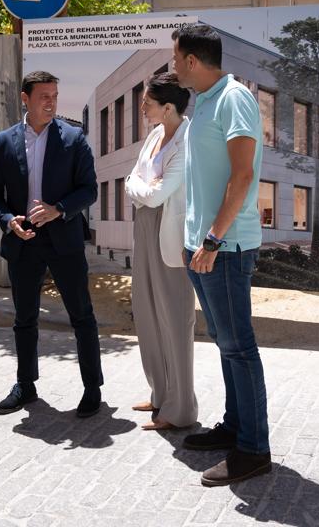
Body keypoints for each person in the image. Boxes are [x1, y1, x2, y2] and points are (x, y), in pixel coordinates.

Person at [171, 24, 271, 487]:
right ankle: (235, 428)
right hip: (203, 247)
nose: (173, 67)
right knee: (225, 343)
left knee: (238, 346)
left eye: (176, 58)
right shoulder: (205, 101)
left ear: (193, 60)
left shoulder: (234, 98)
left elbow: (243, 175)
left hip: (225, 248)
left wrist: (212, 239)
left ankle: (254, 449)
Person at [0, 70, 102, 418]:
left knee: (82, 315)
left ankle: (92, 387)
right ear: (25, 98)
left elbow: (89, 190)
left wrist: (59, 210)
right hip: (23, 241)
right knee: (24, 318)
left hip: (64, 239)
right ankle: (26, 384)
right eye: (43, 97)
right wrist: (8, 221)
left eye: (54, 96)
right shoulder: (3, 141)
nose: (50, 103)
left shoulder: (74, 138)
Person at [124, 72, 198, 431]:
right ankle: (160, 394)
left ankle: (181, 408)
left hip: (169, 234)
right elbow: (131, 182)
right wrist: (143, 186)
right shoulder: (155, 135)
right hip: (144, 229)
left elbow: (155, 194)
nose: (142, 107)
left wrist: (143, 188)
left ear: (168, 107)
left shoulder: (187, 139)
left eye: (147, 102)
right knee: (148, 312)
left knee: (175, 318)